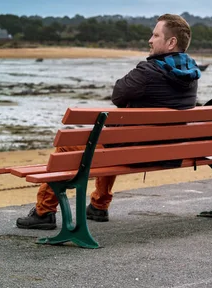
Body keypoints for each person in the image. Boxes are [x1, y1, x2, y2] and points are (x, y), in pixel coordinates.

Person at [16, 13, 201, 230]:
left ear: (171, 43)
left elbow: (118, 94)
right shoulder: (191, 74)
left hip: (136, 152)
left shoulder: (149, 71)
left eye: (155, 35)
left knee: (71, 146)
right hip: (169, 152)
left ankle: (44, 211)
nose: (150, 40)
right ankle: (98, 205)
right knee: (112, 141)